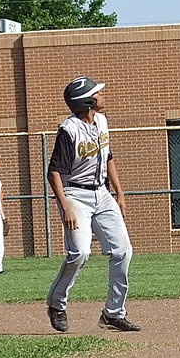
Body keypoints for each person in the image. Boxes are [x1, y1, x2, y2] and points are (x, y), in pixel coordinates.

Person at [45, 76, 139, 333]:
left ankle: (113, 313)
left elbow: (108, 157)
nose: (102, 95)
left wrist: (119, 194)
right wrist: (64, 206)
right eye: (97, 93)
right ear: (87, 101)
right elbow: (53, 172)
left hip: (102, 193)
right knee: (80, 253)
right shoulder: (69, 130)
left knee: (122, 251)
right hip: (75, 195)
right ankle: (56, 304)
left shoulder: (102, 122)